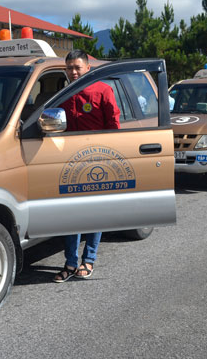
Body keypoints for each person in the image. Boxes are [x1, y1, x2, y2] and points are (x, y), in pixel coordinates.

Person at [53, 49, 121, 283]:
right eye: (69, 67)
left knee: (94, 213)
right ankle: (71, 262)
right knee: (73, 214)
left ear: (87, 67)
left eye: (77, 67)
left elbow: (114, 125)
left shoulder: (103, 90)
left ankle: (88, 259)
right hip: (70, 163)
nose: (73, 72)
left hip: (96, 160)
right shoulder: (63, 94)